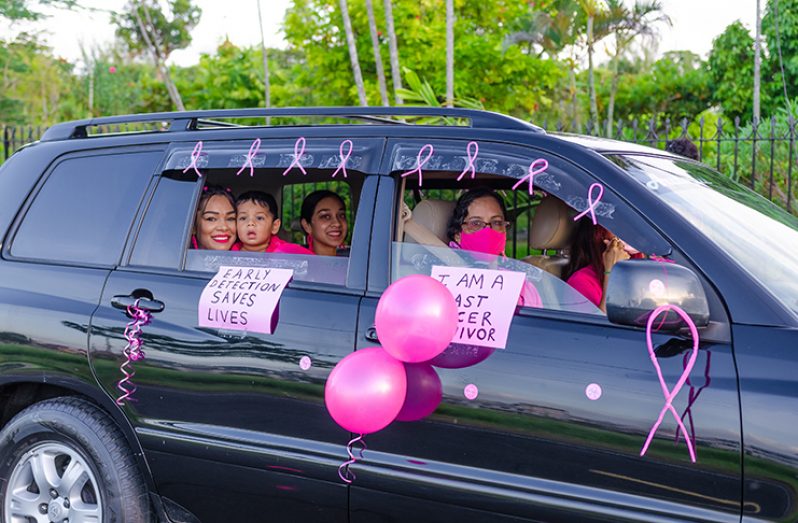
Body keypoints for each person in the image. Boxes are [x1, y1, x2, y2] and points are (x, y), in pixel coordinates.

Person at [446, 188, 541, 308]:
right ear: (458, 235)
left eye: (496, 222)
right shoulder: (444, 280)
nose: (487, 231)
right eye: (476, 223)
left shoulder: (523, 286)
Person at [563, 218, 630, 312]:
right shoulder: (581, 281)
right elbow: (601, 325)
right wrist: (611, 271)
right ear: (600, 234)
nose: (628, 233)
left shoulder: (635, 270)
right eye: (618, 226)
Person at [233, 190, 312, 254]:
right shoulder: (228, 252)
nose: (250, 223)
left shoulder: (290, 253)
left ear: (274, 226)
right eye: (243, 218)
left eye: (259, 218)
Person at [300, 190, 348, 256]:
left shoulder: (358, 261)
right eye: (326, 216)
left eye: (341, 215)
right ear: (307, 226)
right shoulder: (297, 264)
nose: (337, 223)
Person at [192, 184, 237, 251]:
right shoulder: (174, 258)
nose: (224, 227)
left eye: (230, 219)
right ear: (193, 227)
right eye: (211, 219)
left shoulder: (250, 258)